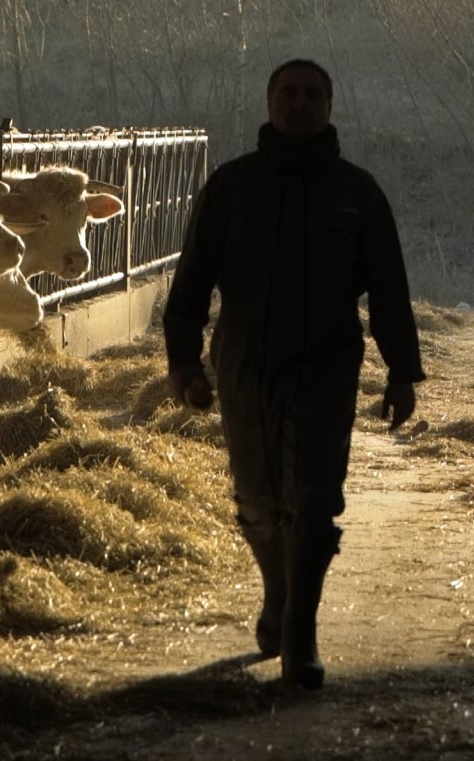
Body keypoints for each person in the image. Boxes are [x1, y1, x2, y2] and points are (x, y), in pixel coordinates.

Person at [163, 58, 424, 689]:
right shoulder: (230, 187)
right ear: (269, 102)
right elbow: (192, 278)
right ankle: (277, 592)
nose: (299, 104)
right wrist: (183, 361)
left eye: (312, 95)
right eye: (289, 94)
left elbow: (388, 288)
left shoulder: (357, 193)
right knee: (256, 499)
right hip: (244, 360)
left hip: (327, 361)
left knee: (313, 500)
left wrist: (402, 372)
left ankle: (300, 634)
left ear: (330, 106)